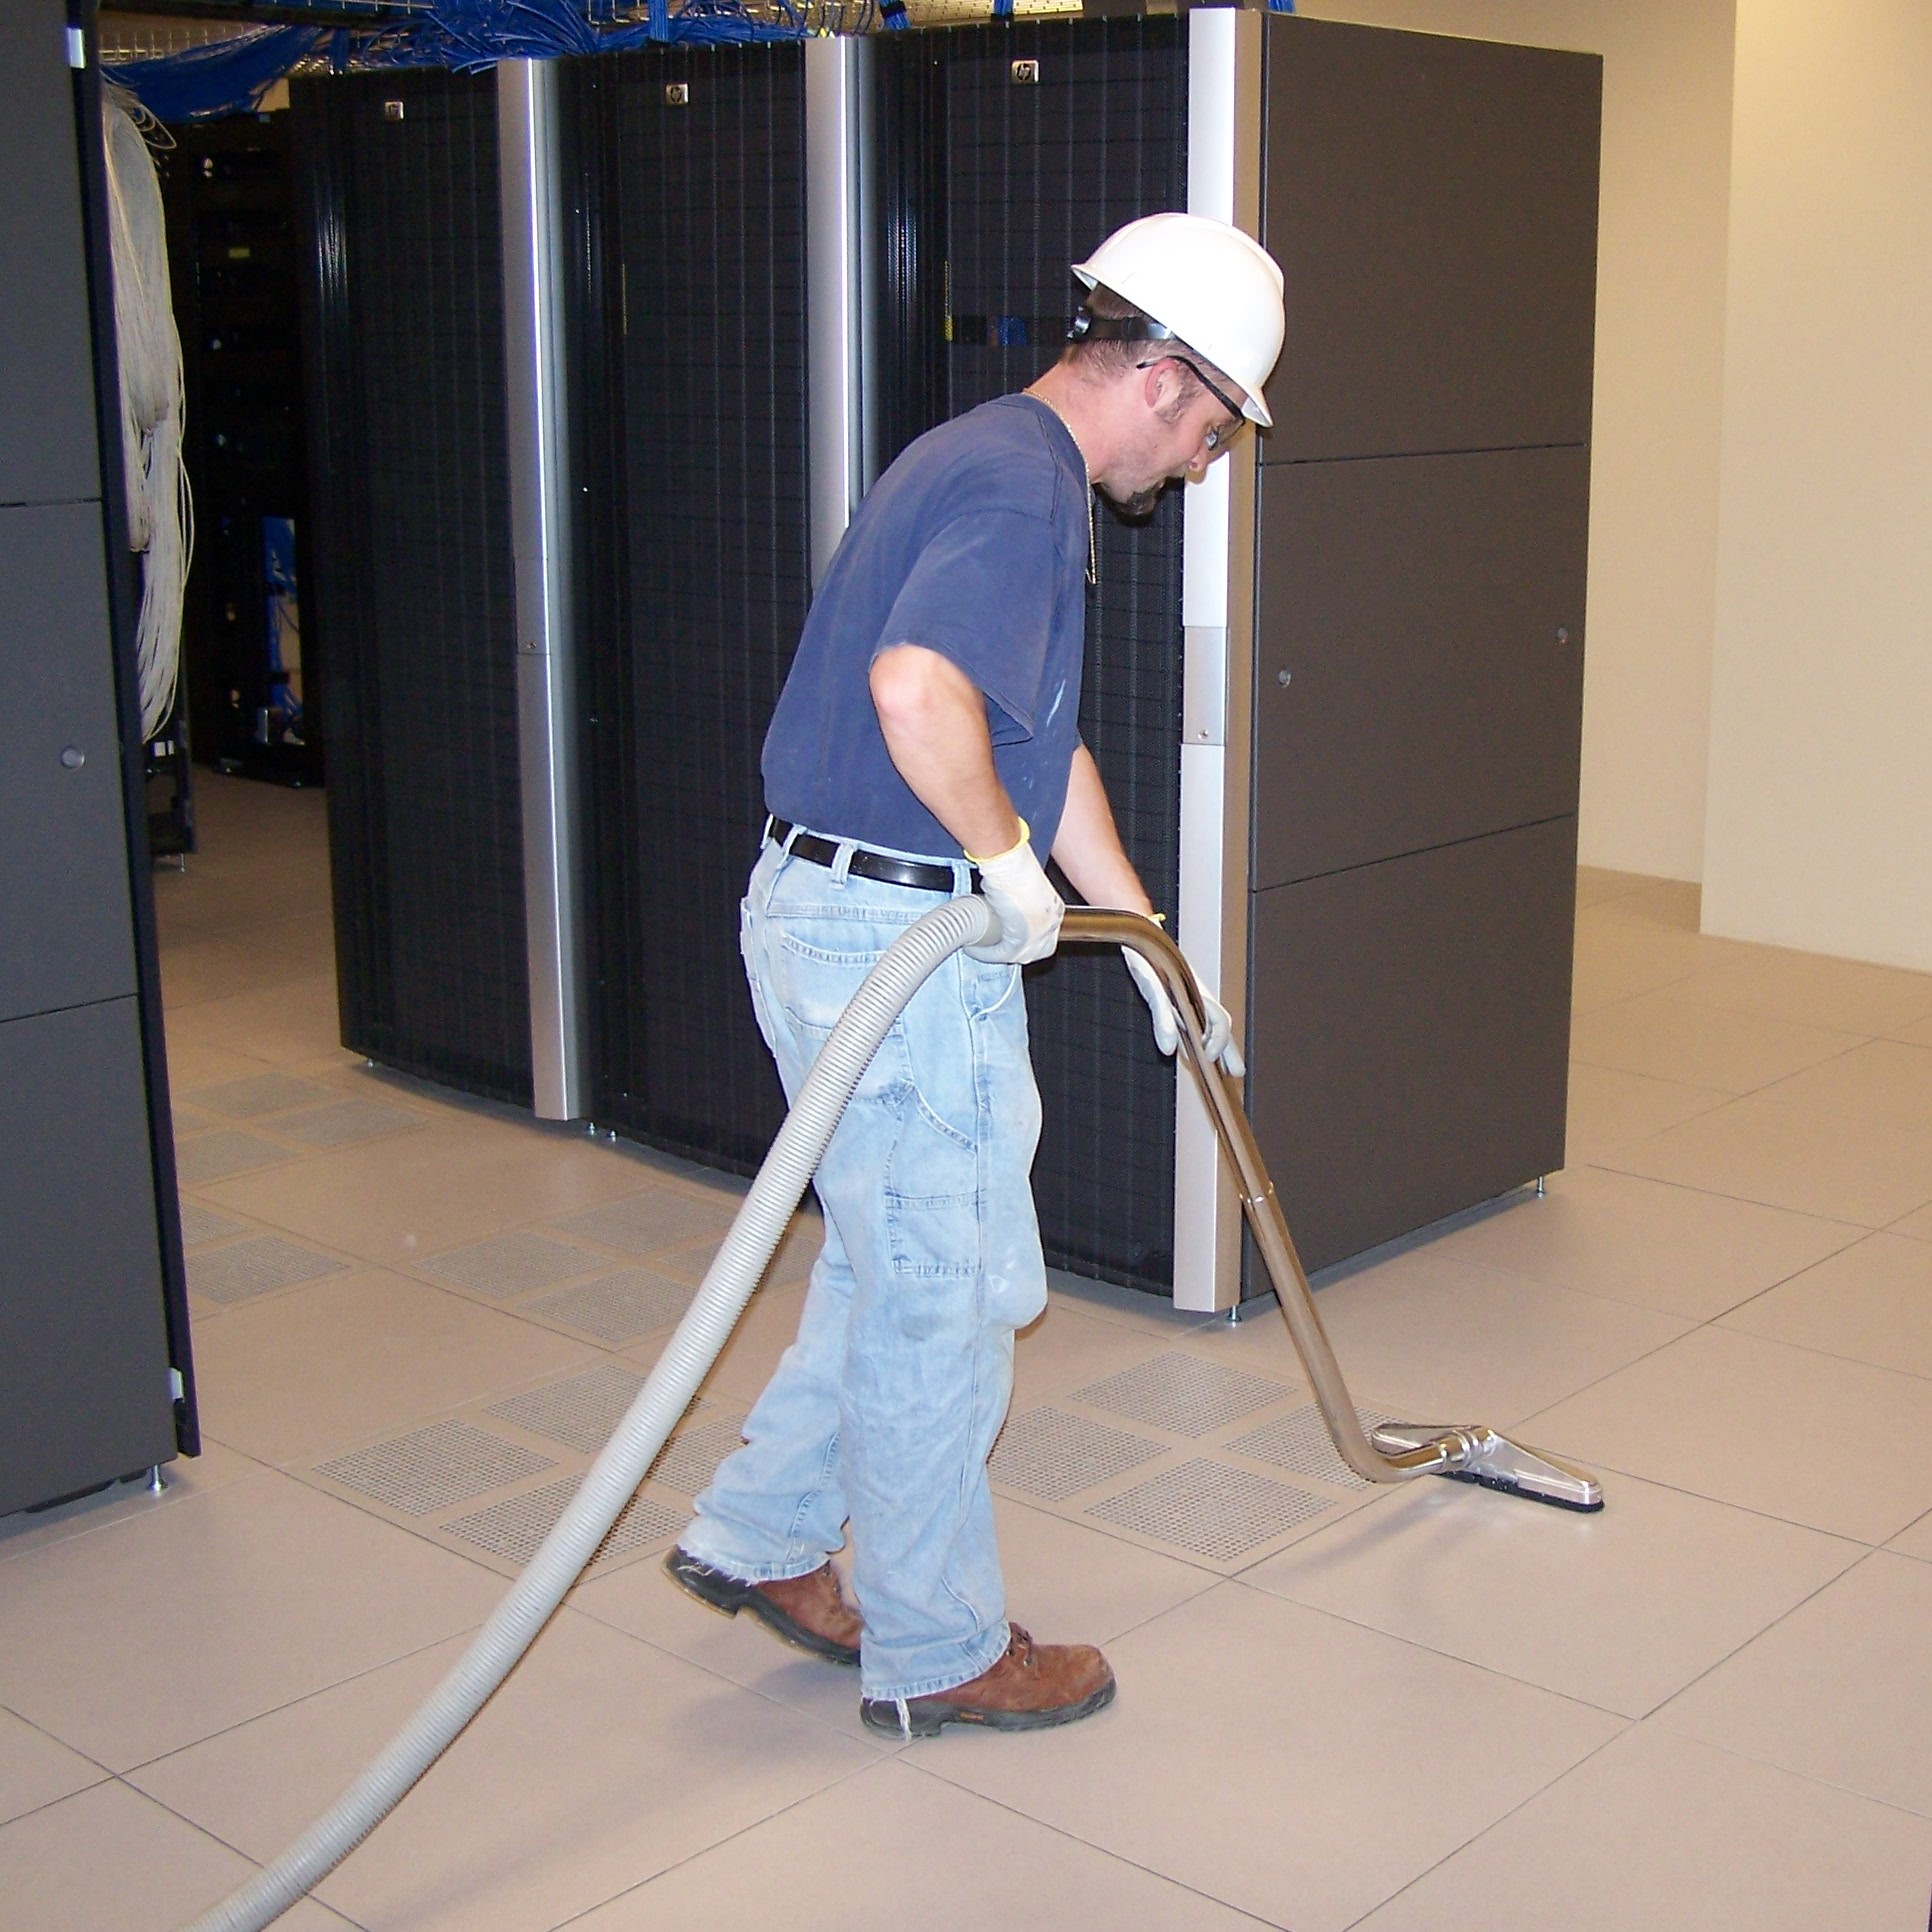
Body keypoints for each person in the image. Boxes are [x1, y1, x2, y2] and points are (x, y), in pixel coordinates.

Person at [666, 213, 1286, 1740]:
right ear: (1164, 378)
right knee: (951, 1293)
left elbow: (1032, 730)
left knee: (892, 1256)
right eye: (1211, 428)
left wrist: (1142, 939)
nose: (1203, 463)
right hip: (893, 937)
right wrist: (1004, 868)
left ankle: (765, 1536)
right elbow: (917, 692)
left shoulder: (985, 452)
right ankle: (941, 1646)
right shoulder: (1025, 493)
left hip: (821, 910)